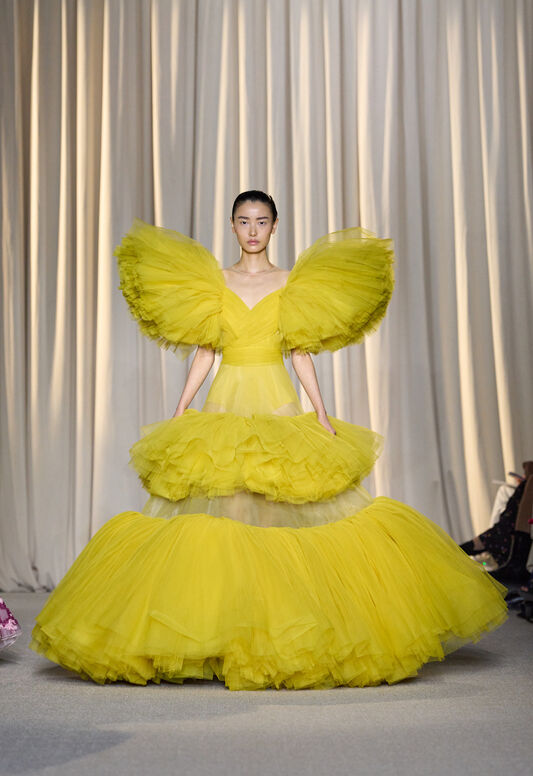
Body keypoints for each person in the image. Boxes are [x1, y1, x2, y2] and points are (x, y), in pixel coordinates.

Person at [30, 190, 508, 690]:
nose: (253, 230)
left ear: (275, 226)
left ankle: (272, 631)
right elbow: (206, 351)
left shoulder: (291, 282)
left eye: (261, 221)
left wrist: (319, 412)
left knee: (277, 515)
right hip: (224, 404)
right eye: (244, 221)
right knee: (226, 517)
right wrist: (181, 407)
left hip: (277, 401)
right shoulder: (215, 282)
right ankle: (226, 632)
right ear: (232, 226)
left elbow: (299, 352)